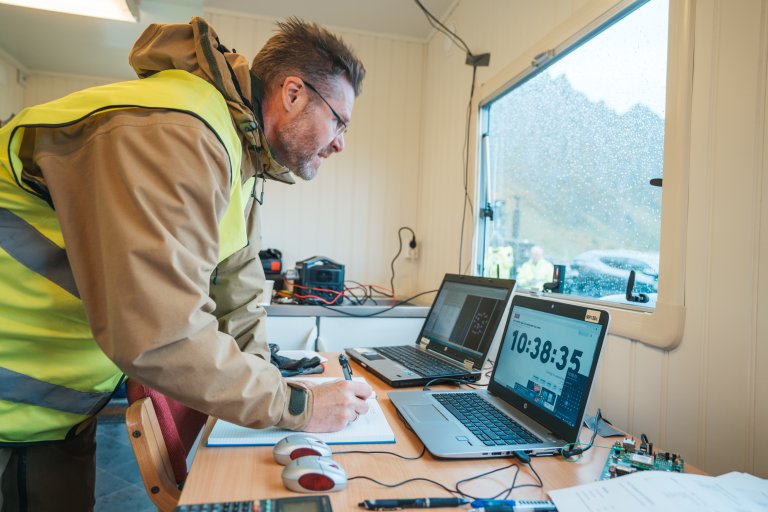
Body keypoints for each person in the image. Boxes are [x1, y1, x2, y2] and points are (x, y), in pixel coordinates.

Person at [0, 17, 372, 511]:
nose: (341, 142)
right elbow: (160, 334)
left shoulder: (237, 152)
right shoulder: (179, 130)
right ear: (293, 93)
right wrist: (296, 406)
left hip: (57, 408)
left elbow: (237, 297)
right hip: (13, 408)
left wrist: (274, 391)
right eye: (339, 121)